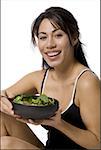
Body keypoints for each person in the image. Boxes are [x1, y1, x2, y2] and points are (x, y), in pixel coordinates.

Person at [0, 7, 100, 149]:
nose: (50, 44)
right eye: (43, 37)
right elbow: (3, 94)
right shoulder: (39, 78)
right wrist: (4, 102)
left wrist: (59, 123)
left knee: (4, 145)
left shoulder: (86, 82)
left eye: (58, 35)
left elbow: (98, 142)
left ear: (74, 37)